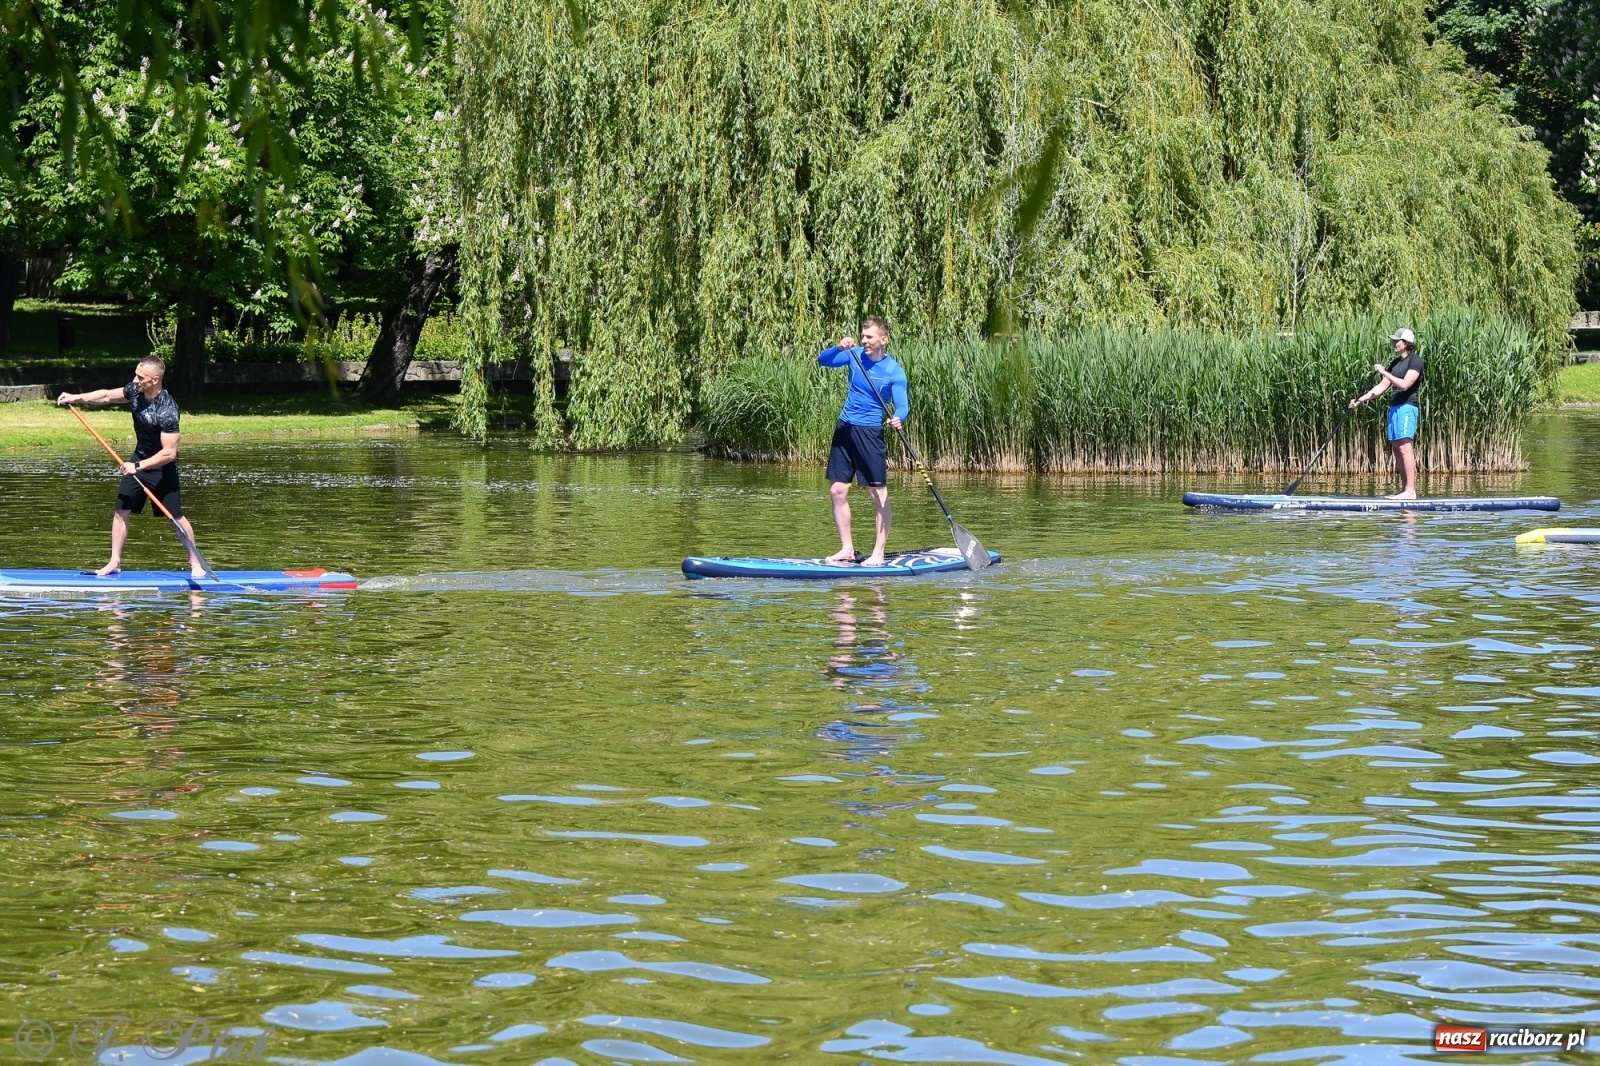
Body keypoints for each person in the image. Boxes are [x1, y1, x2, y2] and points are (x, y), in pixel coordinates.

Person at [56, 356, 206, 578]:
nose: (135, 380)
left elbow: (169, 453)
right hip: (138, 459)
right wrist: (76, 397)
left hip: (161, 468)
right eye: (136, 375)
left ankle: (196, 563)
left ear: (154, 380)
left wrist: (137, 466)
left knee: (175, 517)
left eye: (140, 377)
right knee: (121, 510)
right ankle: (114, 562)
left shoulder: (167, 409)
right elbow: (107, 395)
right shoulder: (135, 390)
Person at [817, 317, 908, 566]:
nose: (864, 340)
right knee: (837, 490)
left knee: (878, 494)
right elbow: (823, 361)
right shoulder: (853, 355)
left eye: (869, 337)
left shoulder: (894, 371)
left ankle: (878, 552)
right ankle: (847, 549)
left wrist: (899, 418)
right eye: (863, 336)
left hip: (869, 433)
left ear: (883, 339)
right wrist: (837, 347)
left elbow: (902, 405)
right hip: (845, 429)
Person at [1349, 326, 1424, 500]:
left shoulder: (1415, 361)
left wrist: (1384, 372)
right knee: (1397, 448)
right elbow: (1381, 387)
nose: (1394, 343)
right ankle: (1404, 490)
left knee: (1405, 447)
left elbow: (1405, 384)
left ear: (1406, 343)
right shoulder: (1395, 363)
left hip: (1407, 407)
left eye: (1397, 341)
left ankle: (1411, 491)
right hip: (1395, 408)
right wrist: (1359, 400)